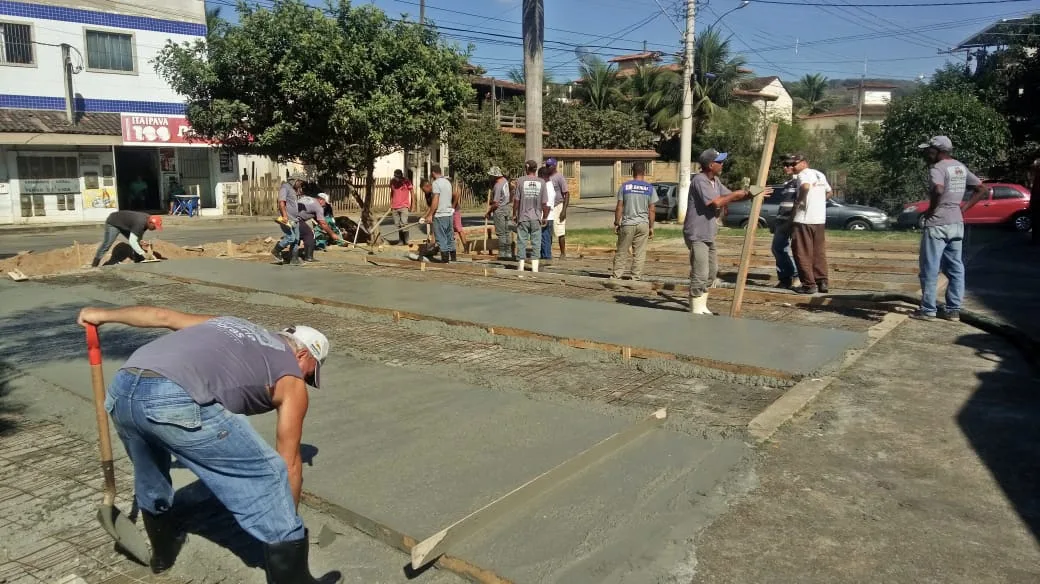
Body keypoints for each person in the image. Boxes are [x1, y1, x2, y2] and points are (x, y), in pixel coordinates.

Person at [76, 306, 339, 584]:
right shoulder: (291, 379)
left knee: (150, 473)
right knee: (270, 474)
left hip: (124, 386)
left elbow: (162, 317)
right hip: (174, 397)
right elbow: (289, 463)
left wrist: (101, 315)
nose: (307, 381)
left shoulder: (230, 323)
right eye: (311, 373)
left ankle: (162, 554)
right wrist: (286, 518)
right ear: (303, 354)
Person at [912, 136, 988, 321]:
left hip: (937, 224)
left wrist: (931, 210)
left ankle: (928, 310)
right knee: (956, 267)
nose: (927, 153)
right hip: (956, 223)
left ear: (938, 151)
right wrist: (963, 208)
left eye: (929, 150)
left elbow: (938, 190)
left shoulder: (937, 168)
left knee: (930, 267)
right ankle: (953, 310)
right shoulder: (959, 167)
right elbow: (981, 189)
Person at [684, 149, 767, 315]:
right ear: (710, 165)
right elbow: (716, 203)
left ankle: (702, 306)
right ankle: (696, 309)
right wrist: (736, 194)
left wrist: (750, 193)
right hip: (697, 233)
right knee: (700, 272)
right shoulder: (700, 181)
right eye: (719, 162)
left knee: (712, 271)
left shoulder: (715, 181)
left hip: (708, 232)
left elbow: (730, 196)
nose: (722, 165)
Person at [789, 153, 832, 295]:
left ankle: (808, 285)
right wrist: (818, 203)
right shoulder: (819, 174)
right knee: (818, 252)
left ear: (804, 163)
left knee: (802, 252)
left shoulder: (803, 175)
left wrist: (799, 201)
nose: (792, 167)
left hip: (804, 220)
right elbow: (829, 192)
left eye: (795, 164)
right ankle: (822, 281)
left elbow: (806, 187)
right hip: (819, 219)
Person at [611, 162, 657, 280]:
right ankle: (635, 278)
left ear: (632, 172)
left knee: (622, 251)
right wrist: (651, 227)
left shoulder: (625, 187)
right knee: (639, 253)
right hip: (643, 225)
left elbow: (619, 207)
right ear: (644, 173)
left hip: (627, 224)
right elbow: (652, 210)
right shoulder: (649, 188)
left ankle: (617, 276)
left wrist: (617, 222)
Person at [513, 159, 549, 275]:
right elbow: (544, 203)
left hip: (523, 217)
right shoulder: (542, 182)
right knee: (536, 244)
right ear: (535, 169)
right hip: (536, 217)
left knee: (521, 243)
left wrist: (514, 214)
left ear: (526, 168)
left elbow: (516, 201)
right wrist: (545, 217)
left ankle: (521, 270)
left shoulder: (520, 181)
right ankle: (534, 271)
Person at [91, 210, 163, 267]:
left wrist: (140, 241)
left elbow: (138, 236)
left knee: (137, 243)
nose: (154, 229)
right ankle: (95, 264)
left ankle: (138, 261)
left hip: (124, 224)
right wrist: (143, 253)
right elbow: (132, 241)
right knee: (107, 244)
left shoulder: (147, 222)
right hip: (114, 223)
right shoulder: (140, 223)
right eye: (154, 227)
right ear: (150, 223)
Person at [771, 156, 800, 289]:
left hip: (792, 220)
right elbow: (784, 204)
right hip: (781, 220)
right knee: (777, 248)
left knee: (790, 249)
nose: (786, 167)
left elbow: (798, 203)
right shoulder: (787, 183)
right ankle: (785, 278)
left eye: (789, 165)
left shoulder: (799, 181)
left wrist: (791, 220)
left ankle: (796, 276)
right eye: (784, 165)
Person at [422, 166, 457, 263]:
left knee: (441, 237)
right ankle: (453, 258)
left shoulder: (436, 183)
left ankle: (445, 260)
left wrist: (430, 215)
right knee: (449, 236)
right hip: (449, 214)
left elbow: (436, 199)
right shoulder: (447, 182)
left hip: (440, 214)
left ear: (433, 173)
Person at [296, 193, 342, 261]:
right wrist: (332, 234)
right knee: (309, 235)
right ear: (321, 200)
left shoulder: (307, 198)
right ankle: (309, 257)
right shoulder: (318, 207)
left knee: (295, 236)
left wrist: (323, 228)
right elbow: (323, 223)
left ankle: (292, 255)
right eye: (325, 203)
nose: (325, 205)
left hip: (288, 215)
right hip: (296, 219)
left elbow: (317, 219)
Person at [272, 176, 304, 265]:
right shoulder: (285, 187)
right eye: (300, 182)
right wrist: (285, 216)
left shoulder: (293, 189)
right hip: (287, 218)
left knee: (296, 239)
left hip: (295, 219)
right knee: (291, 237)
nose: (300, 184)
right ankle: (276, 251)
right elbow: (281, 202)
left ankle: (294, 259)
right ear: (295, 180)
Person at [485, 166, 513, 260]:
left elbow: (496, 204)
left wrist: (488, 212)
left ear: (494, 175)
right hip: (507, 208)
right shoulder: (505, 180)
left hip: (500, 210)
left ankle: (503, 253)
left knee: (501, 233)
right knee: (507, 232)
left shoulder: (497, 185)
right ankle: (508, 252)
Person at [546, 158, 570, 258]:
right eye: (547, 165)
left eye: (549, 166)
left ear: (554, 166)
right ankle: (548, 252)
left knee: (560, 231)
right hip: (548, 207)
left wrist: (564, 210)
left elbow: (567, 194)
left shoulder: (559, 177)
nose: (547, 167)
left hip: (558, 206)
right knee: (548, 230)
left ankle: (563, 253)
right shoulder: (546, 177)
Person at [538, 166, 557, 261]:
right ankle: (544, 255)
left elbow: (548, 205)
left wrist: (544, 218)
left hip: (547, 217)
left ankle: (546, 257)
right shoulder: (547, 185)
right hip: (547, 216)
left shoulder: (548, 187)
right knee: (544, 238)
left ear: (542, 176)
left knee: (545, 238)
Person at [390, 169, 413, 245]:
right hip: (395, 206)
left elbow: (412, 192)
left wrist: (413, 204)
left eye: (398, 176)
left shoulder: (406, 181)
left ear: (401, 175)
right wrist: (391, 203)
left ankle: (407, 240)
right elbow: (392, 192)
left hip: (404, 206)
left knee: (404, 223)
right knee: (398, 224)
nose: (396, 177)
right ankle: (401, 241)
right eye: (395, 176)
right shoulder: (392, 181)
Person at [1031, 158, 1040, 246]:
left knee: (1036, 223)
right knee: (1036, 223)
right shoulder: (1037, 177)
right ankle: (1035, 240)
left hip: (1036, 204)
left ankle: (1036, 240)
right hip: (1036, 205)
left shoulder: (1038, 177)